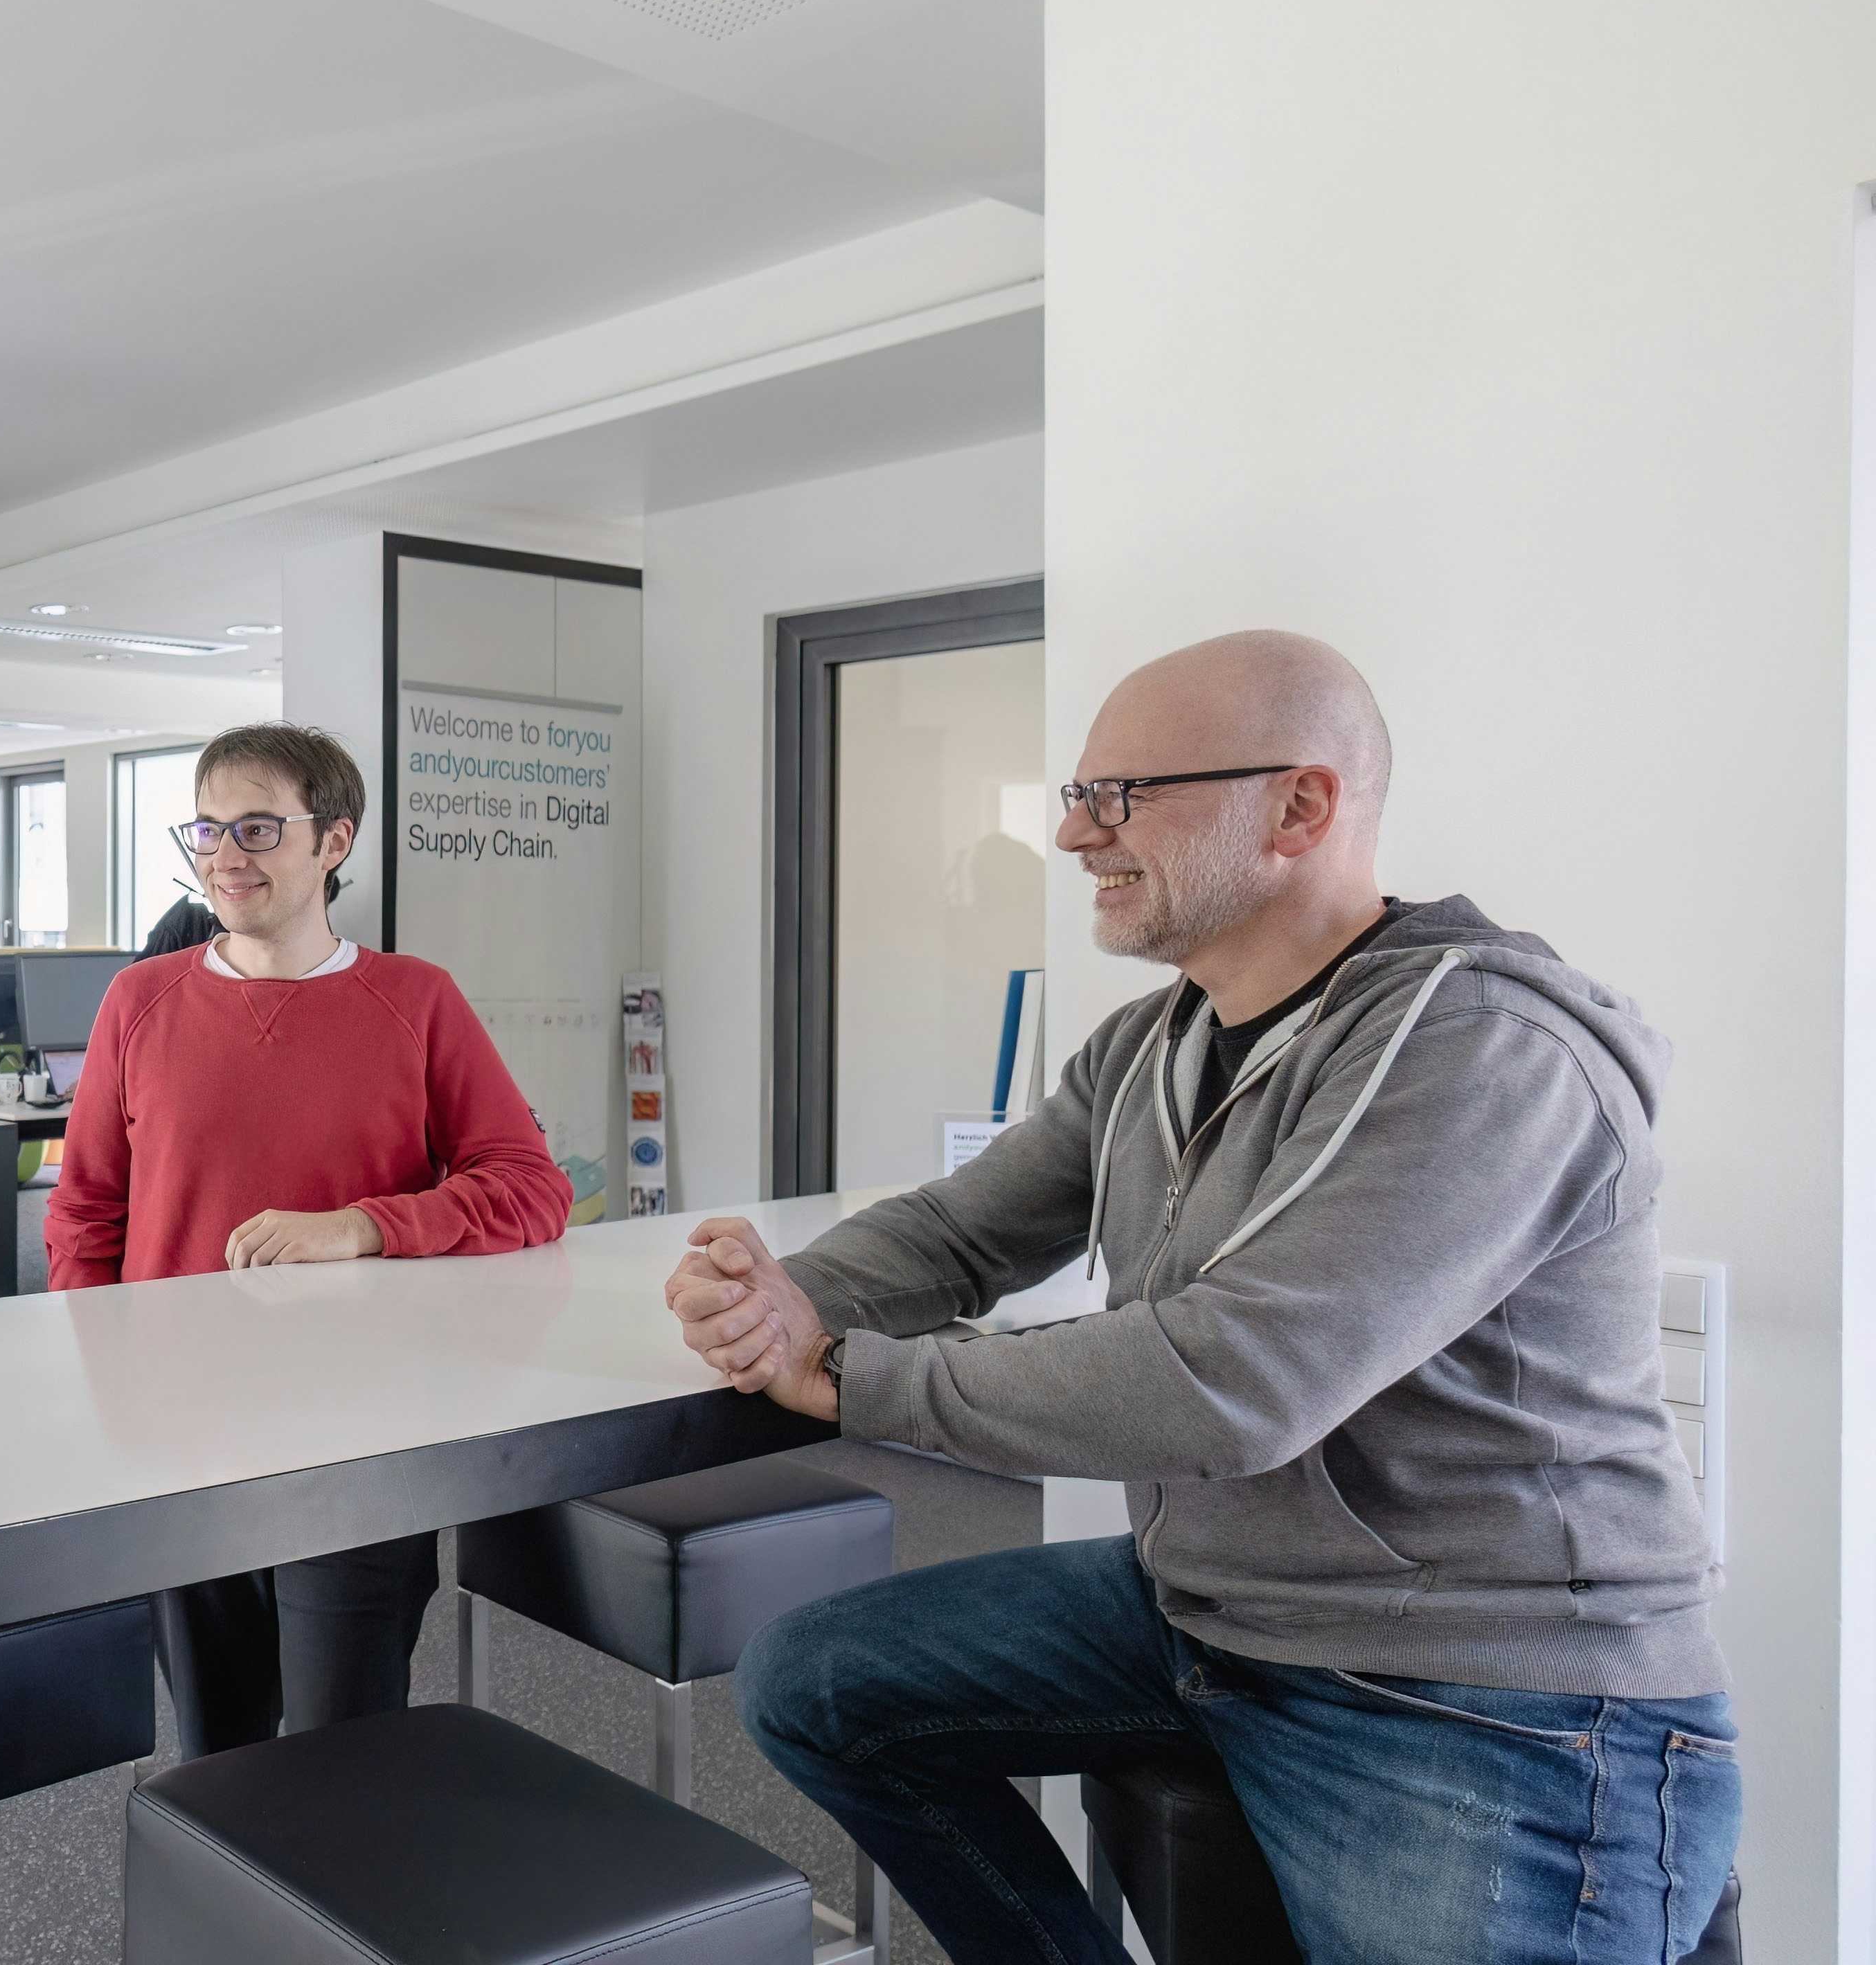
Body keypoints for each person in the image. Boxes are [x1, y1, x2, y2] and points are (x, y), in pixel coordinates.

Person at [668, 632, 1732, 1964]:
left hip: (1480, 1692)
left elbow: (1234, 1377)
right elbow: (961, 1231)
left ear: (1298, 806)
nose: (1068, 832)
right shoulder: (1147, 1043)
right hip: (1212, 1610)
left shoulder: (1486, 1050)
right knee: (814, 1681)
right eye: (1075, 790)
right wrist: (784, 1298)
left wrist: (848, 1373)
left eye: (1119, 795)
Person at [47, 722, 571, 1752]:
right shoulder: (140, 1001)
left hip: (359, 1440)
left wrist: (363, 1228)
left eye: (256, 828)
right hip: (179, 1440)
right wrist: (104, 1386)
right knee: (217, 1746)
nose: (225, 857)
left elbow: (528, 1188)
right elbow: (86, 1212)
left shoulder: (414, 1000)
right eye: (206, 829)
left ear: (334, 842)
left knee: (345, 1748)